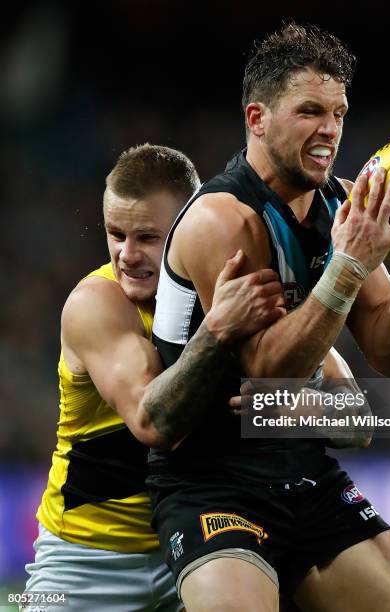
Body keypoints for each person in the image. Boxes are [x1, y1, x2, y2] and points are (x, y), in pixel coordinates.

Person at [147, 24, 390, 612]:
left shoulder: (338, 207)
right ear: (257, 119)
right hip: (214, 483)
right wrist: (348, 263)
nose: (330, 130)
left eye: (339, 112)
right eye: (310, 111)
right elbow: (272, 375)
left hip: (304, 471)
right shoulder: (223, 220)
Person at [23, 143, 287, 612]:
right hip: (82, 564)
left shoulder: (235, 289)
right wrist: (219, 330)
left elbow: (353, 413)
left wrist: (288, 406)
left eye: (147, 237)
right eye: (115, 233)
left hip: (197, 551)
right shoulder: (95, 304)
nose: (127, 254)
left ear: (189, 228)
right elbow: (154, 424)